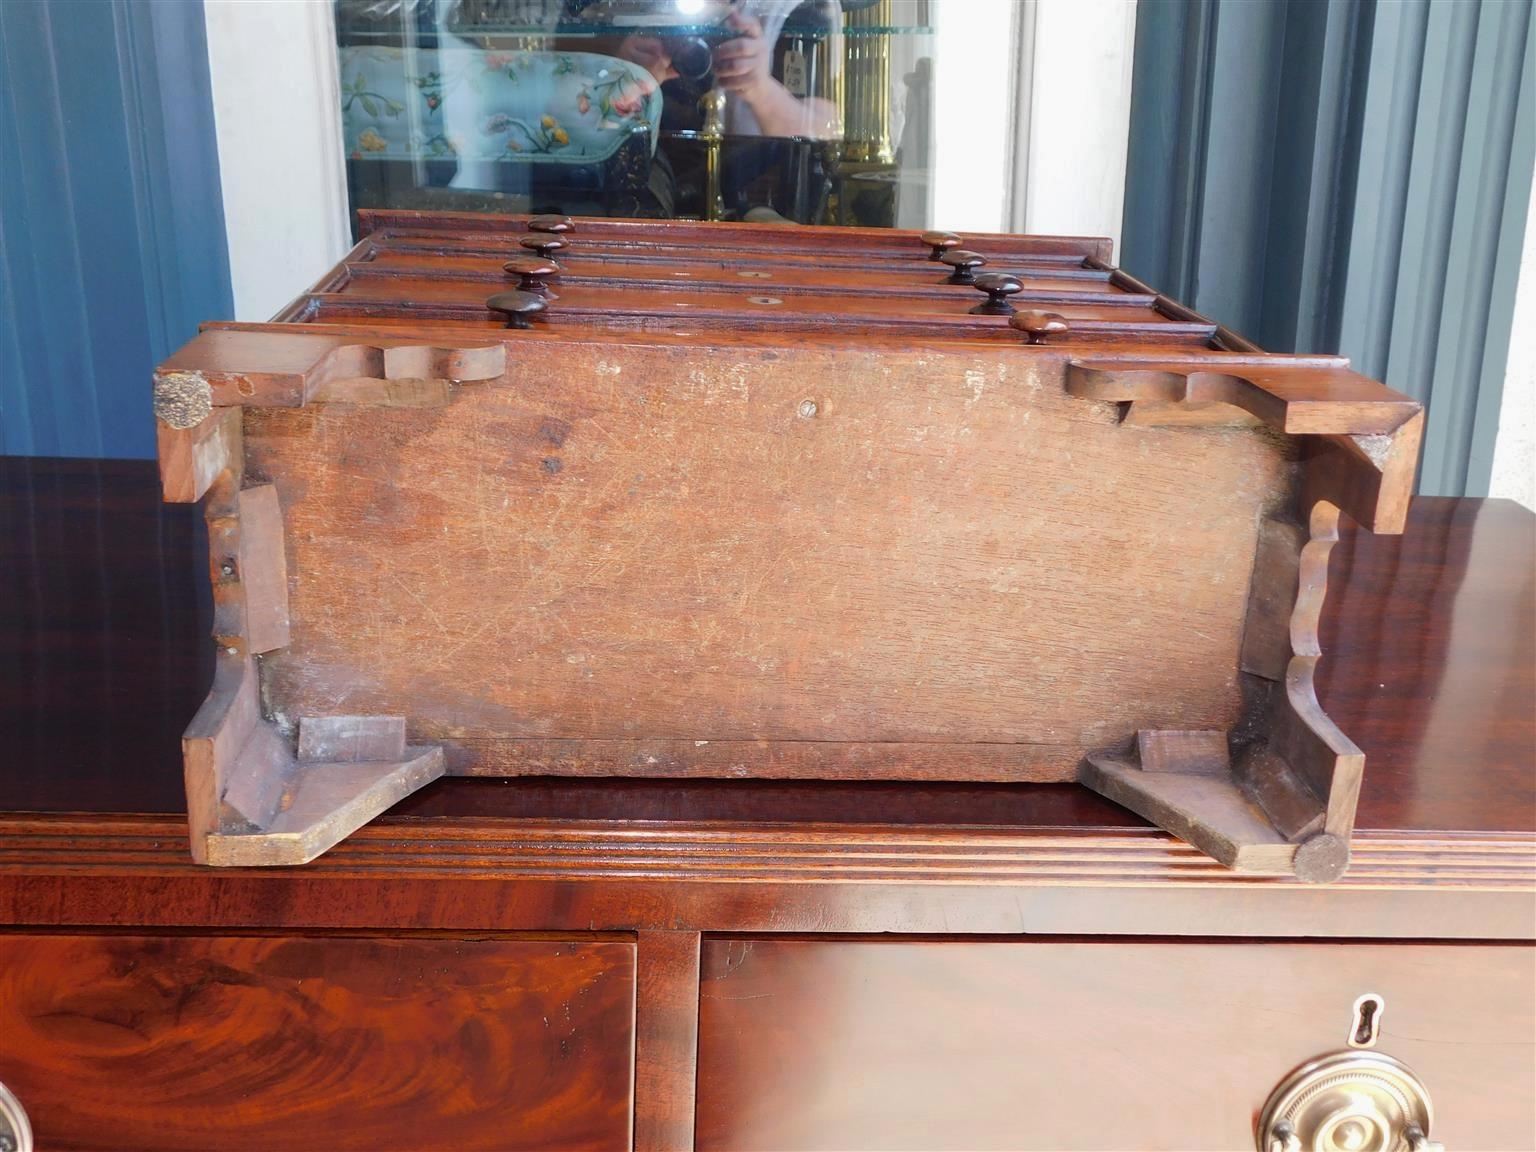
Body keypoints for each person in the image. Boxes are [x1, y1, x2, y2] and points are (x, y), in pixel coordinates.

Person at [617, 0, 842, 140]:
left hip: (759, 194)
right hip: (651, 182)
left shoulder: (802, 11)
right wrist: (622, 75)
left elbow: (830, 128)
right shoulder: (637, 10)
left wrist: (761, 90)